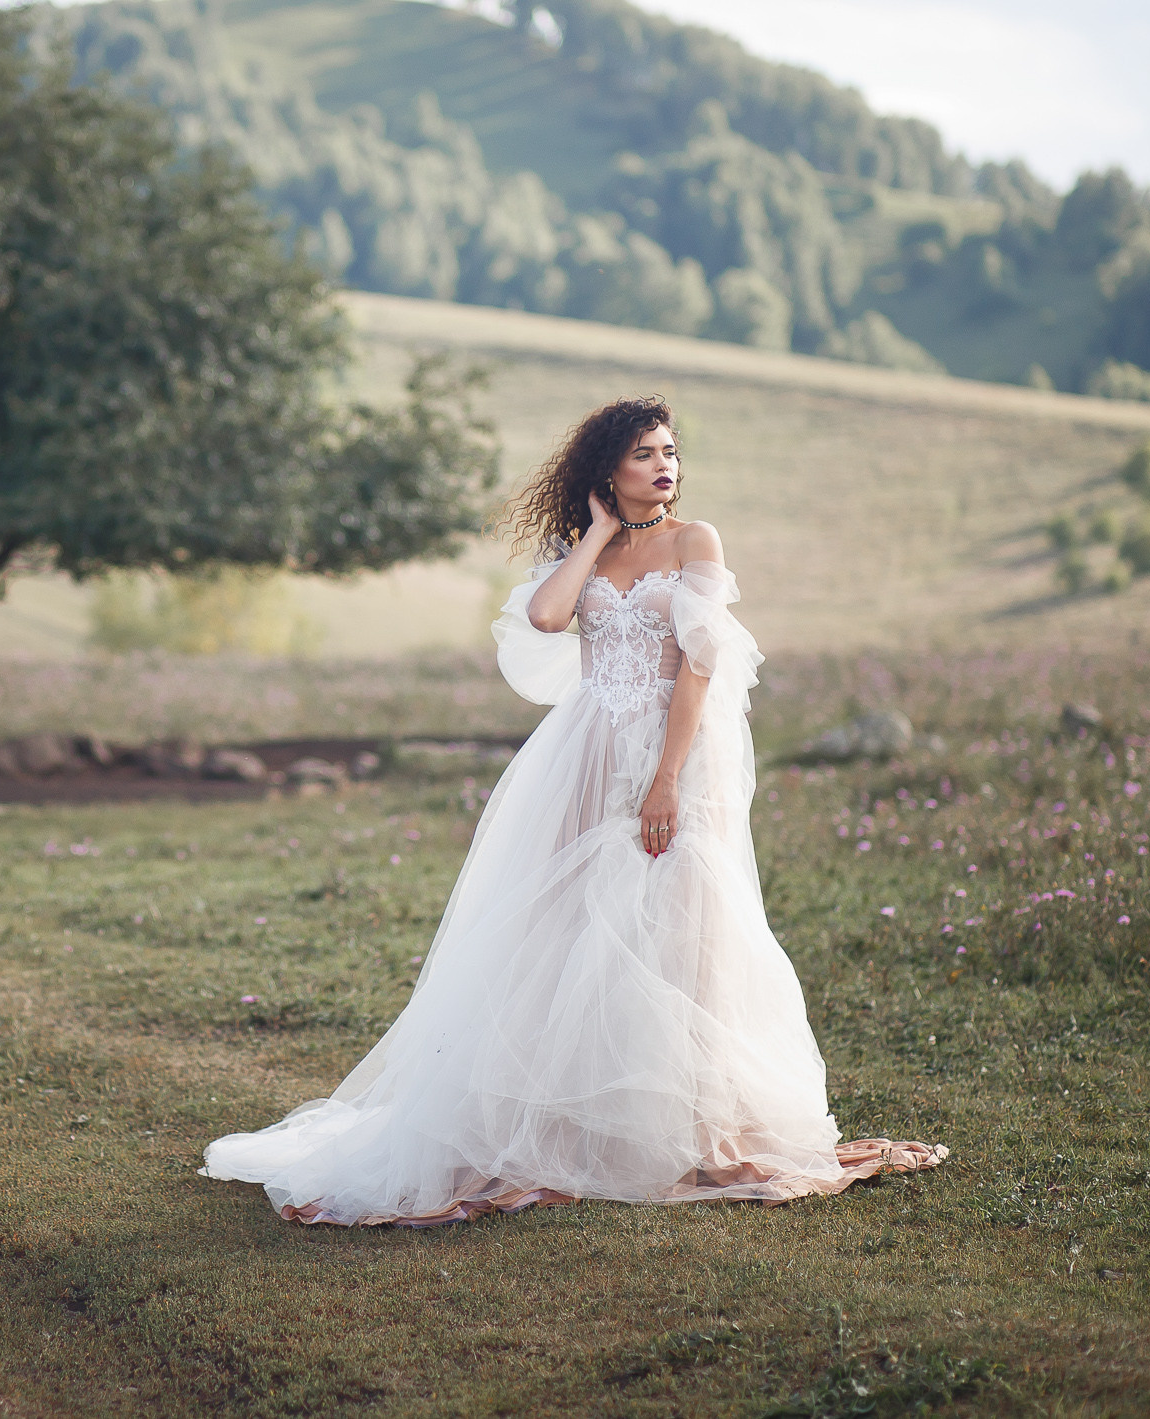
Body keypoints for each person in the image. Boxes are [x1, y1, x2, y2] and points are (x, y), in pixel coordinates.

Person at [201, 396, 945, 1226]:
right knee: (568, 921)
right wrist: (594, 536)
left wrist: (666, 778)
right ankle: (562, 1118)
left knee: (683, 922)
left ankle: (687, 1124)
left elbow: (698, 665)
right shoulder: (585, 548)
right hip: (585, 753)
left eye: (669, 450)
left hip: (671, 751)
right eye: (642, 453)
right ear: (607, 472)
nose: (664, 464)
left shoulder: (696, 541)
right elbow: (547, 617)